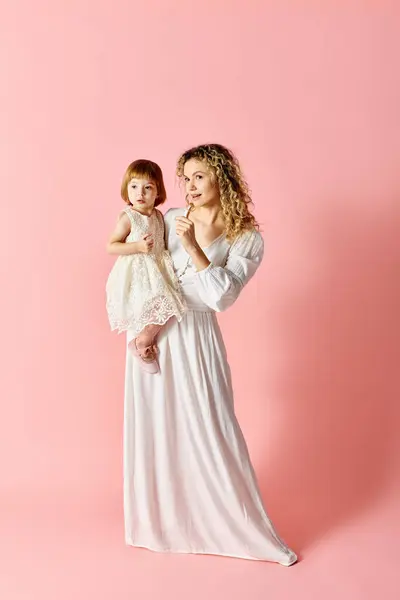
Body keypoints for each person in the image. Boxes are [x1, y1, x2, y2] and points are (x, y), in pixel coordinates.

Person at [123, 144, 297, 565]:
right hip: (155, 328)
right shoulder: (166, 218)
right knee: (158, 426)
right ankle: (161, 526)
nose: (189, 186)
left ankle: (237, 529)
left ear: (221, 178)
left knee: (210, 424)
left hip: (197, 337)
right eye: (185, 178)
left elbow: (222, 297)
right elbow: (153, 276)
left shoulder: (246, 237)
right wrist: (148, 327)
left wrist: (194, 247)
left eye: (199, 176)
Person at [106, 159, 185, 374]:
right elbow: (111, 246)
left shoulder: (159, 216)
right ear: (126, 190)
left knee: (172, 304)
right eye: (134, 187)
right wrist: (137, 246)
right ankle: (142, 343)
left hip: (157, 268)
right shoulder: (128, 217)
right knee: (161, 306)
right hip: (137, 271)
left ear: (158, 191)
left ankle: (144, 340)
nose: (140, 193)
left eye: (147, 187)